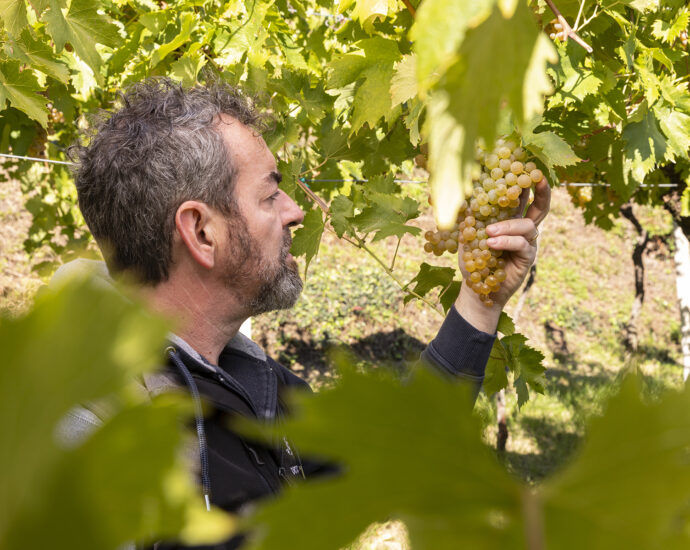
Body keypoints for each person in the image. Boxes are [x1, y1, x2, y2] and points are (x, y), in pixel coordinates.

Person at [62, 78, 550, 549]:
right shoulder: (85, 436)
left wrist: (480, 302)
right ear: (201, 232)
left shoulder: (250, 381)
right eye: (270, 194)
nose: (296, 211)